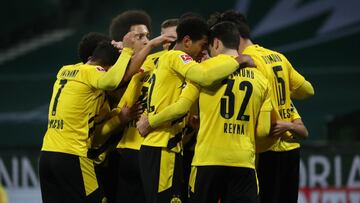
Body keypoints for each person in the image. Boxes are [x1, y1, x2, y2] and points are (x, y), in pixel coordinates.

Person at [137, 21, 273, 203]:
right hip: (243, 161)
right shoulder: (260, 77)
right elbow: (264, 131)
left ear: (216, 43)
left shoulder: (203, 70)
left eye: (205, 46)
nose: (203, 52)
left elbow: (183, 105)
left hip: (206, 160)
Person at [208, 10, 313, 203]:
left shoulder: (247, 63)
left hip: (267, 148)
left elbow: (262, 108)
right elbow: (307, 90)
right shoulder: (278, 56)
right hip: (291, 148)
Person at [39, 32, 137, 203]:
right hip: (73, 155)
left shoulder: (66, 70)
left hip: (47, 155)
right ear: (108, 68)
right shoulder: (93, 72)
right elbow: (111, 81)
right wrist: (127, 51)